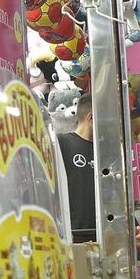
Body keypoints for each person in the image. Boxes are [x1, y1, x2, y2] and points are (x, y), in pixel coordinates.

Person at [57, 93, 96, 240]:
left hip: (107, 232)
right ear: (91, 118)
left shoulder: (106, 150)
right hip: (74, 234)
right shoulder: (62, 143)